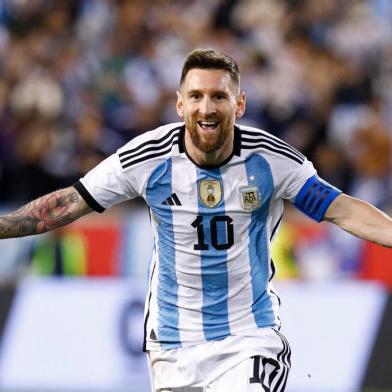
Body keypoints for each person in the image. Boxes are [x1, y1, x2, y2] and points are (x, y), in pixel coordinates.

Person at [1, 48, 392, 392]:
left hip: (247, 336)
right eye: (196, 97)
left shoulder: (272, 161)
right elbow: (64, 205)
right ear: (180, 104)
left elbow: (343, 209)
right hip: (172, 345)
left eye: (218, 96)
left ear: (239, 104)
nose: (207, 108)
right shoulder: (146, 158)